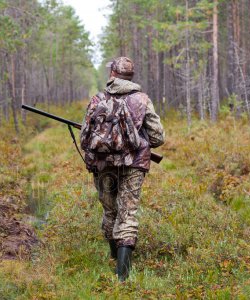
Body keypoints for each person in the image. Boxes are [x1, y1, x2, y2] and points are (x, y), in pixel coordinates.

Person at [80, 57, 165, 282]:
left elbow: (85, 137)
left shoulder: (97, 99)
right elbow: (158, 138)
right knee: (128, 212)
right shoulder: (142, 100)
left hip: (103, 165)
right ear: (131, 76)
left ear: (113, 75)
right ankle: (122, 275)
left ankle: (113, 256)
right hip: (134, 165)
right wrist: (138, 138)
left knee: (110, 211)